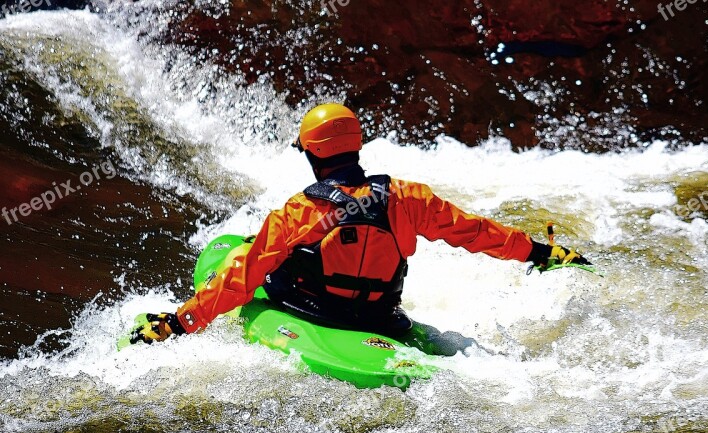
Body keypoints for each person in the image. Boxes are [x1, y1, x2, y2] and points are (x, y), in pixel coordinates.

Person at [131, 104, 591, 344]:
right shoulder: (408, 198)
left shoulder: (300, 211)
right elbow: (473, 232)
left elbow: (244, 275)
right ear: (357, 147)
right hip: (378, 317)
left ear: (312, 154)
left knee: (240, 254)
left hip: (312, 312)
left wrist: (178, 321)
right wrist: (538, 252)